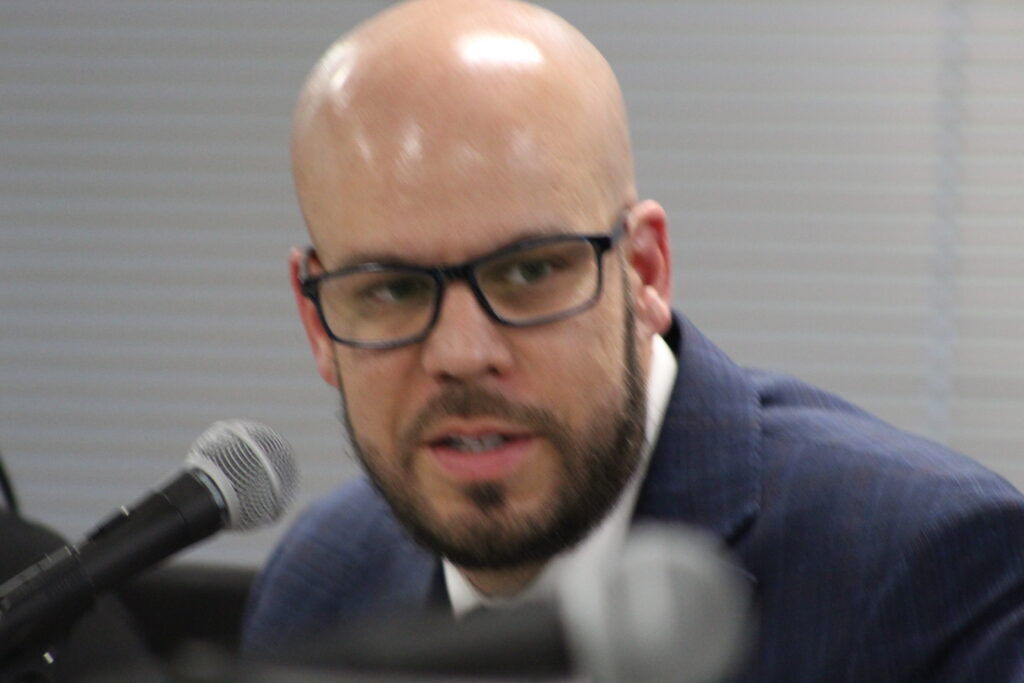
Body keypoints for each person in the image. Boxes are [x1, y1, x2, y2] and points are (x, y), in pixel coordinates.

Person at [242, 0, 1024, 679]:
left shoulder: (928, 566)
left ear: (644, 271)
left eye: (526, 272)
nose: (461, 352)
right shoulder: (317, 583)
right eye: (393, 289)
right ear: (317, 322)